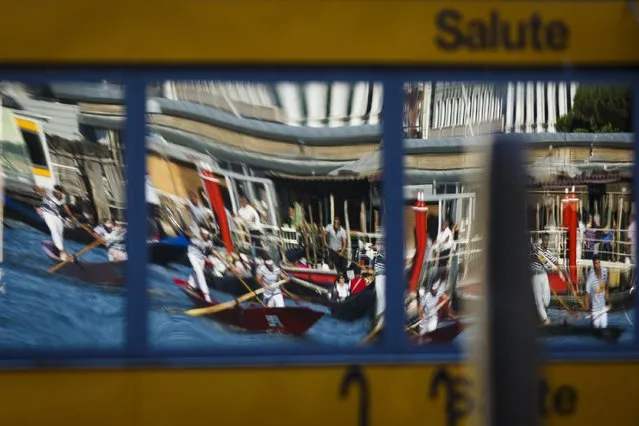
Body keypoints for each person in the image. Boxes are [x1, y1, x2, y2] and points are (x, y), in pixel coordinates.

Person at [34, 184, 76, 261]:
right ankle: (62, 251)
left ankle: (62, 252)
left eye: (60, 193)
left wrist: (71, 215)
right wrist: (40, 189)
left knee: (60, 233)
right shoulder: (48, 193)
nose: (58, 194)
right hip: (48, 214)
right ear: (55, 191)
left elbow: (64, 206)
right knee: (54, 231)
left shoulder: (62, 197)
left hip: (57, 216)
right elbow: (37, 190)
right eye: (57, 193)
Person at [530, 233, 563, 325]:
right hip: (535, 275)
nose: (546, 242)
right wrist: (553, 267)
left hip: (544, 275)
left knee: (547, 300)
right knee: (539, 300)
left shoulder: (548, 252)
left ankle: (538, 314)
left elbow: (554, 261)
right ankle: (545, 319)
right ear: (541, 240)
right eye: (544, 240)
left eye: (547, 240)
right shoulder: (536, 248)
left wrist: (557, 267)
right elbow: (542, 259)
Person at [187, 227, 214, 303]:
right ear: (201, 233)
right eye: (204, 234)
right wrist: (193, 236)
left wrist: (213, 252)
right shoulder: (195, 238)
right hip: (192, 255)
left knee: (197, 271)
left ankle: (190, 284)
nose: (206, 236)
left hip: (201, 258)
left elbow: (210, 249)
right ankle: (206, 295)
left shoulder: (209, 241)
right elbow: (188, 235)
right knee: (200, 273)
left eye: (207, 235)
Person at [585, 255, 610, 329]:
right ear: (593, 264)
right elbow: (587, 295)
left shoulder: (605, 272)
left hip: (603, 308)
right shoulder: (590, 277)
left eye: (599, 263)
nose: (598, 265)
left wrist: (608, 302)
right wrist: (588, 309)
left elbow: (606, 289)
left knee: (604, 329)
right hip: (594, 310)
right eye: (596, 263)